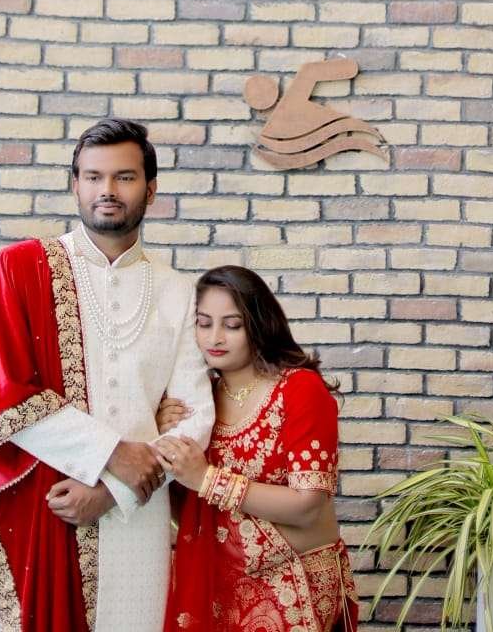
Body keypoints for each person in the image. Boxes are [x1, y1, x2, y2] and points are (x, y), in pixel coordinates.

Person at [0, 118, 215, 632]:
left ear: (151, 190)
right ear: (75, 185)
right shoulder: (20, 269)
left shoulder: (180, 291)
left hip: (135, 520)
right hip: (32, 503)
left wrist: (116, 490)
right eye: (93, 177)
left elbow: (194, 414)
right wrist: (114, 453)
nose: (107, 190)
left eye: (124, 177)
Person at [154, 265, 359, 632]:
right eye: (203, 324)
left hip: (293, 587)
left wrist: (207, 478)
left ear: (259, 324)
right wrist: (162, 439)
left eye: (232, 325)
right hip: (220, 591)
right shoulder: (198, 405)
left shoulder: (299, 389)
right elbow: (189, 515)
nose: (215, 337)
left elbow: (308, 505)